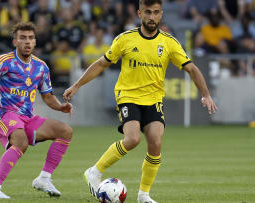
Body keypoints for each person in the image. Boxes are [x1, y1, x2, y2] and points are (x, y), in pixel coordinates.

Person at [63, 0, 218, 203]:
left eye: (155, 13)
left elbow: (191, 68)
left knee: (155, 142)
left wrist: (205, 94)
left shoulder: (169, 42)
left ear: (161, 14)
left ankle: (143, 195)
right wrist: (76, 85)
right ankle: (94, 171)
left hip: (154, 99)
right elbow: (101, 64)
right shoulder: (125, 39)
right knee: (133, 139)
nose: (151, 17)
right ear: (139, 13)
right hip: (128, 96)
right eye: (147, 12)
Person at [0, 22, 73, 199]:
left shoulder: (41, 67)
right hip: (5, 115)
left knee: (65, 131)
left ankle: (44, 179)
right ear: (15, 42)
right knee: (20, 140)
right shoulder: (3, 62)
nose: (27, 42)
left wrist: (60, 106)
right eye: (23, 38)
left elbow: (47, 95)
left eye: (31, 38)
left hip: (27, 117)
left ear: (35, 42)